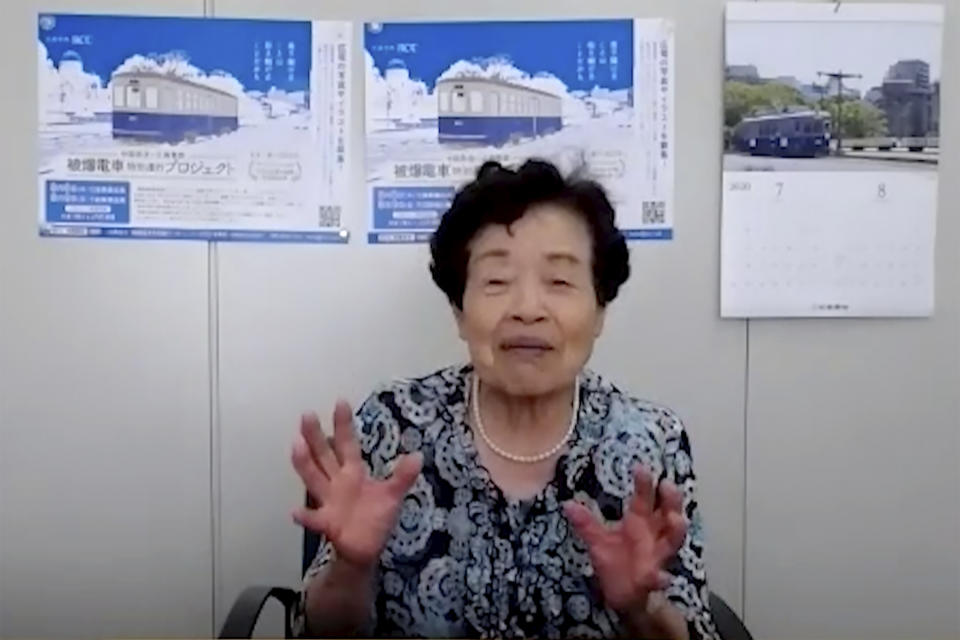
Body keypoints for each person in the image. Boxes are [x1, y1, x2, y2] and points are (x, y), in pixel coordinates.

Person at [290, 159, 719, 639]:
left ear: (600, 310)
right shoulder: (392, 425)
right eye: (496, 282)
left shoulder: (650, 444)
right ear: (458, 310)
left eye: (559, 282)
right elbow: (319, 632)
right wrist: (351, 566)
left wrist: (643, 607)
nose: (527, 310)